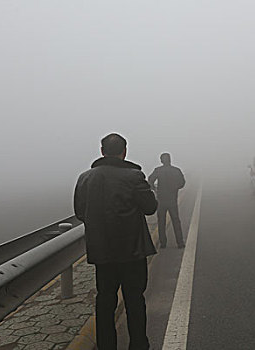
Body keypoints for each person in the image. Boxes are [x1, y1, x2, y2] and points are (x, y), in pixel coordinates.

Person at [74, 133, 157, 350]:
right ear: (124, 151)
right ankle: (139, 345)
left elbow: (80, 213)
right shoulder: (134, 176)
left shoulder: (85, 178)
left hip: (102, 252)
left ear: (102, 152)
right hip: (132, 251)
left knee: (105, 302)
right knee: (134, 301)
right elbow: (150, 208)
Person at [148, 153, 186, 249]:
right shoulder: (176, 170)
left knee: (161, 222)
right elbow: (182, 183)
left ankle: (163, 244)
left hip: (161, 200)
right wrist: (175, 187)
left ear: (161, 161)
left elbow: (150, 180)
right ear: (170, 160)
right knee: (176, 221)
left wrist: (155, 189)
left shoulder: (158, 170)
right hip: (172, 199)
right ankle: (180, 243)